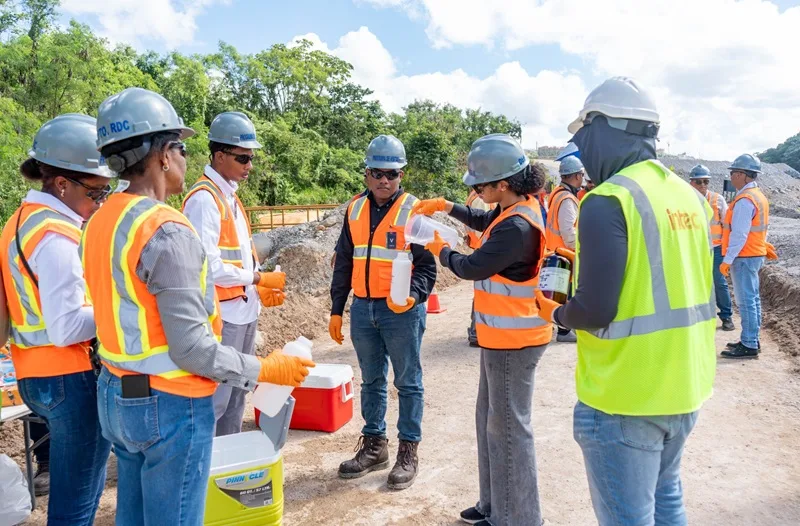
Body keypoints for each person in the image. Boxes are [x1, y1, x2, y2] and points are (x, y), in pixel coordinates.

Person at [81, 88, 313, 526]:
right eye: (181, 148)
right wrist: (263, 369)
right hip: (168, 403)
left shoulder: (102, 220)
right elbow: (193, 350)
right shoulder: (165, 230)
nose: (186, 159)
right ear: (164, 156)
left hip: (116, 392)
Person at [535, 77, 716, 526]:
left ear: (606, 129)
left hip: (625, 395)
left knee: (629, 517)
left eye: (583, 138)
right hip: (685, 385)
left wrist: (554, 312)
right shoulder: (689, 198)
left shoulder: (607, 199)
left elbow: (595, 309)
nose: (581, 151)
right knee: (667, 496)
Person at [413, 133, 551, 526]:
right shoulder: (513, 208)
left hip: (516, 340)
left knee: (509, 431)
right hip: (501, 338)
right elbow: (480, 219)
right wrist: (445, 206)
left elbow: (471, 267)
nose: (476, 191)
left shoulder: (518, 228)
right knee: (490, 421)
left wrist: (440, 248)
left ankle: (518, 518)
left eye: (480, 185)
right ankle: (494, 506)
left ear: (501, 184)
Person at [0, 114, 114, 525]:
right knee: (77, 503)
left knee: (72, 496)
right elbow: (66, 325)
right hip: (70, 377)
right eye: (96, 191)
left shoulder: (19, 222)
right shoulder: (56, 235)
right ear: (61, 183)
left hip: (36, 375)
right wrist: (120, 311)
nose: (101, 201)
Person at [329, 134, 436, 490]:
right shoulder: (354, 209)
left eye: (391, 173)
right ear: (367, 174)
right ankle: (375, 446)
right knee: (371, 380)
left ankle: (408, 451)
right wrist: (336, 308)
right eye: (377, 173)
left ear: (401, 174)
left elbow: (427, 268)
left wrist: (414, 297)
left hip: (401, 313)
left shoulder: (414, 211)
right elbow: (345, 260)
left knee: (407, 381)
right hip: (363, 309)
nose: (384, 180)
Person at [182, 111, 286, 437]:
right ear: (220, 155)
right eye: (243, 158)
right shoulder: (204, 199)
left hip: (242, 312)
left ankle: (229, 462)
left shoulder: (229, 197)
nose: (249, 166)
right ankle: (207, 469)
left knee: (239, 392)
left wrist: (258, 285)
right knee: (217, 398)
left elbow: (239, 257)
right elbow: (208, 267)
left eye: (250, 158)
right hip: (221, 317)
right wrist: (255, 280)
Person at [719, 154, 771, 358]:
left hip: (744, 256)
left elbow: (739, 234)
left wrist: (727, 260)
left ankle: (749, 344)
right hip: (754, 254)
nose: (731, 176)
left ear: (742, 175)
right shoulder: (758, 196)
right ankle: (751, 339)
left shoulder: (744, 200)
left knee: (746, 301)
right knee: (753, 299)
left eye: (733, 173)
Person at [689, 164, 735, 332]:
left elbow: (727, 225)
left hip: (715, 249)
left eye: (706, 182)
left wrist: (727, 248)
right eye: (699, 182)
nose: (703, 186)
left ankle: (726, 316)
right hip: (694, 249)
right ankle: (700, 317)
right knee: (694, 282)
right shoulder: (685, 200)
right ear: (691, 183)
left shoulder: (717, 200)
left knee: (719, 281)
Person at [546, 155, 584, 343]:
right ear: (576, 175)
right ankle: (564, 330)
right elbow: (569, 232)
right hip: (564, 253)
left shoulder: (557, 194)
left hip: (556, 251)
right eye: (581, 175)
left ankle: (563, 328)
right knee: (565, 292)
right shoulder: (567, 199)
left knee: (561, 292)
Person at [465, 189, 496, 347]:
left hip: (482, 249)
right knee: (483, 292)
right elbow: (481, 228)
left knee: (483, 291)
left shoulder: (479, 196)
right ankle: (476, 332)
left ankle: (476, 331)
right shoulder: (481, 199)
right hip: (484, 251)